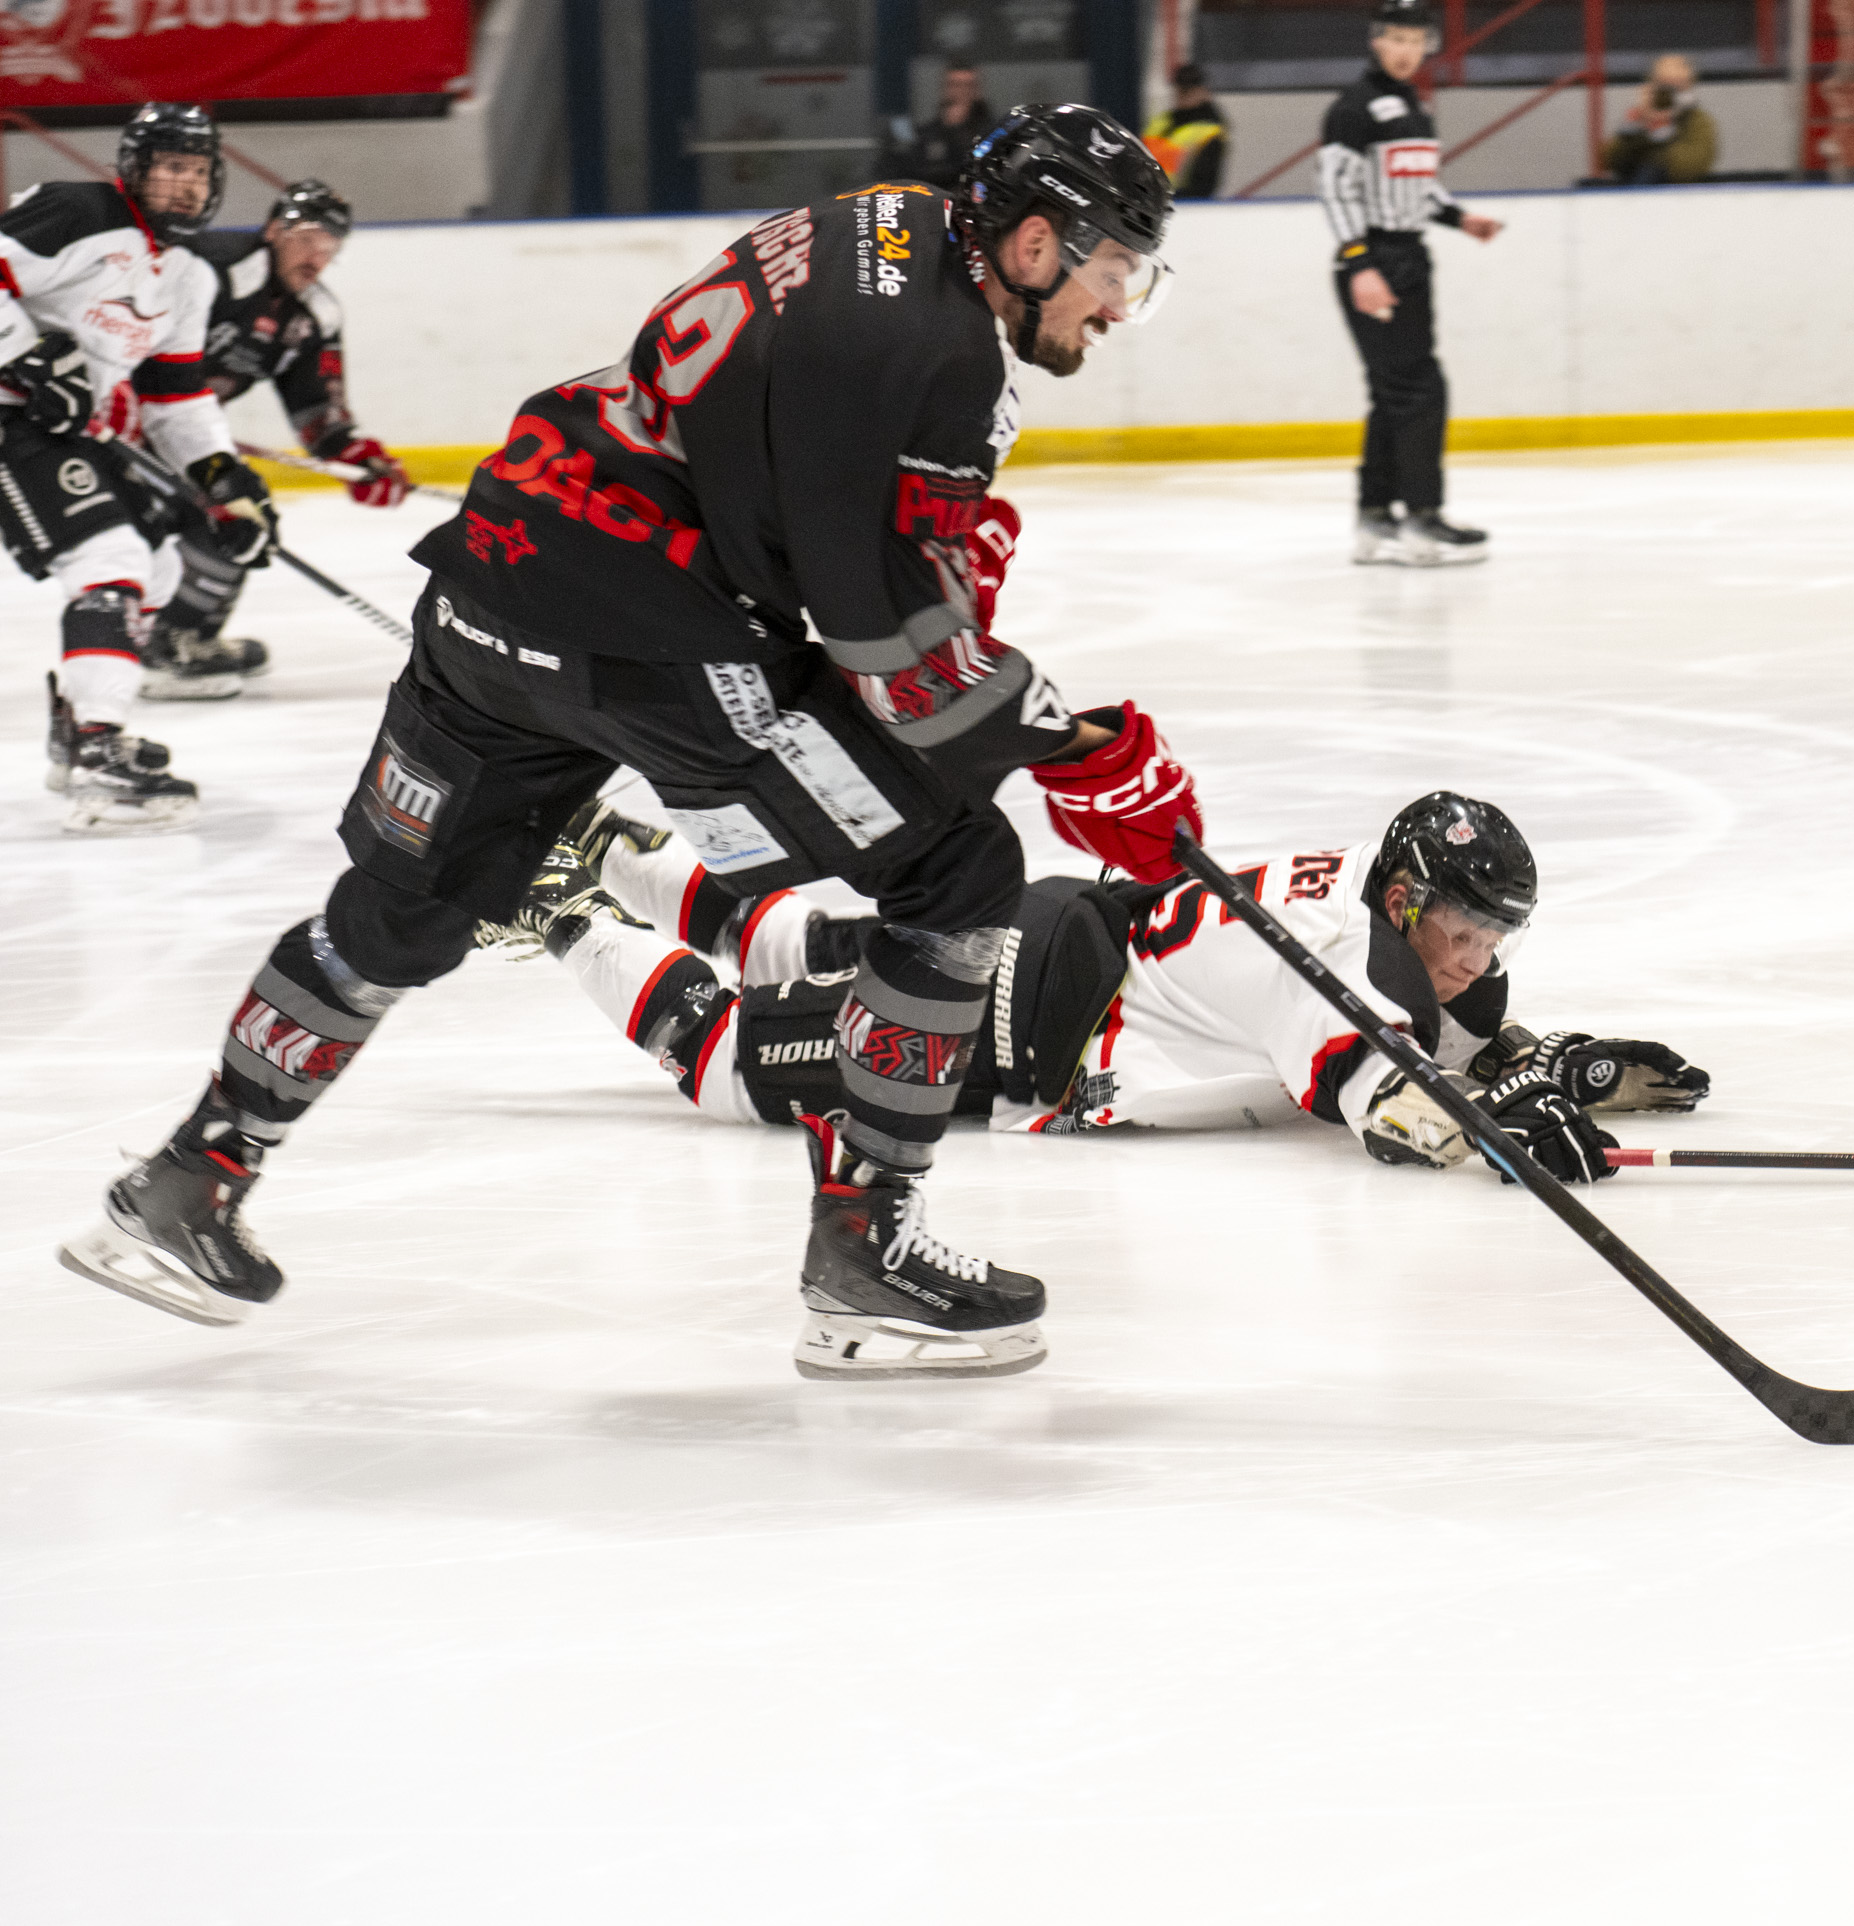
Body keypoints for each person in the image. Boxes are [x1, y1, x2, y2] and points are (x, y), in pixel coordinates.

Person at [60, 107, 1201, 1388]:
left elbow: (808, 475)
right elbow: (898, 659)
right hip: (658, 645)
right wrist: (1077, 741)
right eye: (1112, 273)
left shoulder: (877, 218)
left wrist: (928, 552)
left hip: (499, 576)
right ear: (1038, 242)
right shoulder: (945, 353)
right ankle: (865, 1254)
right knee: (961, 873)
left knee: (402, 908)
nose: (1113, 308)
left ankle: (188, 1175)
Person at [512, 790, 1708, 1185]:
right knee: (730, 1060)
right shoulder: (1332, 960)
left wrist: (1553, 1066)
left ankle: (602, 837)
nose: (1478, 959)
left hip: (1063, 926)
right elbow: (1379, 1097)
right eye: (1463, 928)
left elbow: (1433, 1036)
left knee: (812, 948)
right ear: (1404, 902)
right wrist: (1497, 1136)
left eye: (1496, 937)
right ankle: (562, 911)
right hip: (1025, 1013)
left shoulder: (1366, 897)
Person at [0, 102, 278, 835]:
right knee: (108, 558)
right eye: (170, 167)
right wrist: (26, 355)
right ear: (134, 168)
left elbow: (174, 396)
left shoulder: (189, 273)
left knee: (153, 566)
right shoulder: (77, 211)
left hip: (56, 428)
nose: (184, 184)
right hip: (7, 415)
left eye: (196, 170)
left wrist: (224, 480)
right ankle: (97, 745)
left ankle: (78, 727)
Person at [139, 177, 416, 702]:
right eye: (308, 236)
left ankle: (187, 637)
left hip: (178, 433)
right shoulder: (209, 267)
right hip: (112, 419)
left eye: (331, 245)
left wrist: (357, 459)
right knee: (197, 517)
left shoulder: (314, 316)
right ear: (273, 230)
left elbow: (319, 412)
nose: (318, 253)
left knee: (247, 512)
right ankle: (160, 645)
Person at [1320, 0, 1505, 568]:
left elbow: (1418, 187)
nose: (1405, 50)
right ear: (1376, 41)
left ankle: (1376, 516)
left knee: (1393, 391)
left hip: (1409, 256)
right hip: (1375, 258)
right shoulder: (1354, 108)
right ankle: (1423, 517)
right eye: (1395, 38)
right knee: (1420, 388)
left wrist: (1459, 218)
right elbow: (1337, 189)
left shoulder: (1413, 104)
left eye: (1416, 39)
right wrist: (1360, 264)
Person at [1595, 54, 1719, 184]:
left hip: (1679, 194)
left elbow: (1690, 167)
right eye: (1664, 87)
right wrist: (1635, 127)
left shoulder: (1699, 121)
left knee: (1651, 170)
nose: (1669, 95)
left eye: (1677, 87)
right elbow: (1609, 161)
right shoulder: (1638, 119)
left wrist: (1661, 130)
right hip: (1631, 191)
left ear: (1689, 86)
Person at [879, 62, 997, 190]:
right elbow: (912, 172)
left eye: (968, 85)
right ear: (944, 89)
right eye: (955, 85)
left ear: (978, 90)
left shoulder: (991, 132)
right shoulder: (927, 134)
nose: (962, 91)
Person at [1143, 62, 1229, 199]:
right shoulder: (1160, 122)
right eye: (1181, 88)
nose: (1183, 93)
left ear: (1203, 91)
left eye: (1189, 89)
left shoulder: (1210, 131)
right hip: (1147, 199)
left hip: (1183, 203)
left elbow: (1204, 184)